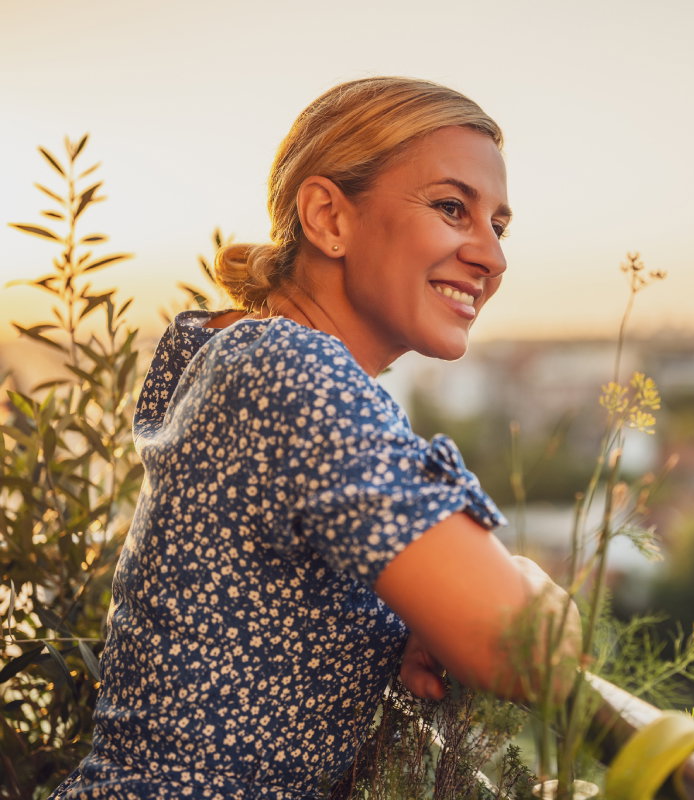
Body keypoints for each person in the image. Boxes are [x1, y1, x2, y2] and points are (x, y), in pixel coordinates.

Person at [51, 76, 581, 800]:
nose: (493, 257)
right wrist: (527, 586)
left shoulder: (232, 351)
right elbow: (528, 650)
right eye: (452, 208)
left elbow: (251, 602)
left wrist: (393, 623)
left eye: (499, 225)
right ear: (329, 217)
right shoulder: (295, 372)